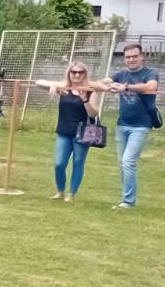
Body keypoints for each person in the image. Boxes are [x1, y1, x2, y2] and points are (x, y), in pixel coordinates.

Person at [101, 44, 160, 209]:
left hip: (141, 126)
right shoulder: (121, 74)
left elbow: (151, 87)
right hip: (122, 125)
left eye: (134, 56)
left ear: (142, 56)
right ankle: (127, 199)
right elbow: (102, 82)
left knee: (128, 162)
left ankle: (128, 202)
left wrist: (125, 87)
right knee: (123, 163)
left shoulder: (150, 73)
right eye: (128, 57)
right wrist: (107, 86)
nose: (131, 59)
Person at [33, 62, 100, 202]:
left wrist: (85, 99)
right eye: (73, 72)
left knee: (78, 162)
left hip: (82, 133)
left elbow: (93, 114)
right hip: (64, 132)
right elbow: (38, 82)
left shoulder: (90, 91)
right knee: (59, 164)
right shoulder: (64, 88)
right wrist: (53, 85)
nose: (77, 75)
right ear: (69, 73)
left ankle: (72, 193)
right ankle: (60, 191)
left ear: (85, 74)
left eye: (80, 72)